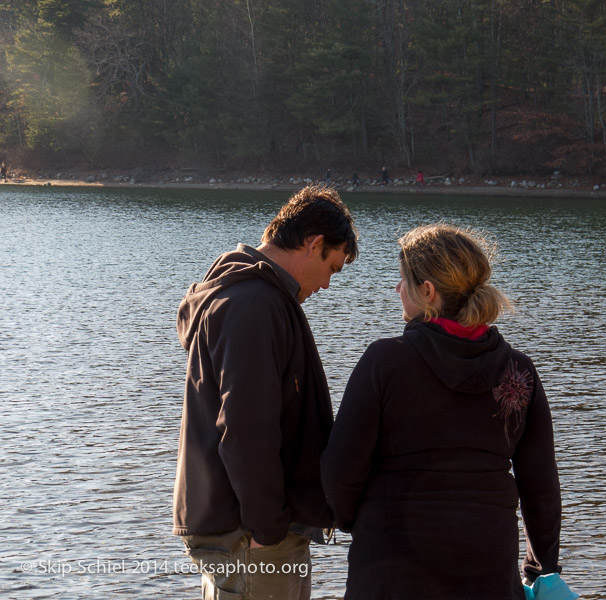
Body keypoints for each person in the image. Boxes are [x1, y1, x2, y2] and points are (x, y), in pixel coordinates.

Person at [321, 224, 564, 599]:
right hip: (489, 573)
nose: (397, 289)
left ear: (428, 291)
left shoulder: (385, 362)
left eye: (403, 281)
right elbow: (541, 488)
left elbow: (339, 472)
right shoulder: (519, 372)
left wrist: (360, 520)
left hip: (389, 572)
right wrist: (541, 570)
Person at [174, 185, 359, 600]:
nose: (328, 285)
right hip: (250, 533)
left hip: (248, 528)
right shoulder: (253, 304)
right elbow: (245, 428)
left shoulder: (250, 295)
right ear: (313, 244)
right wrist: (267, 530)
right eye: (333, 267)